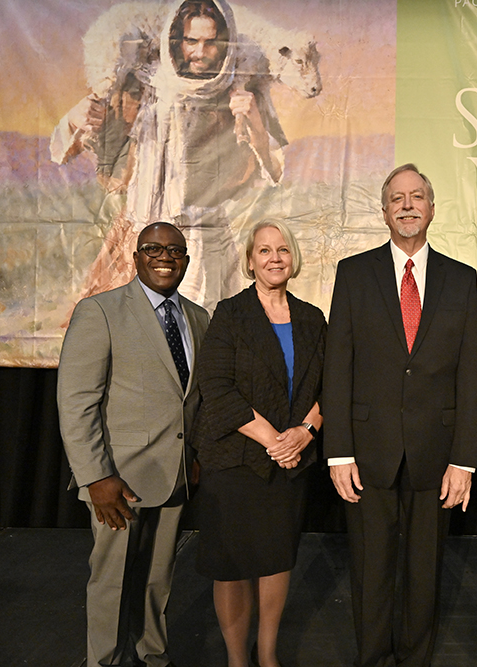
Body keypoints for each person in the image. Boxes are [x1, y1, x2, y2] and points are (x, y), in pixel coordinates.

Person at [322, 163, 477, 667]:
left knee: (425, 569)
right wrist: (339, 451)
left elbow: (470, 374)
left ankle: (415, 658)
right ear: (385, 210)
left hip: (437, 456)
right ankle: (372, 658)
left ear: (432, 209)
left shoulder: (462, 278)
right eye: (397, 198)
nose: (408, 205)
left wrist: (465, 460)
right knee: (370, 570)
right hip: (367, 453)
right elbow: (338, 366)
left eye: (417, 197)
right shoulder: (354, 272)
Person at [53, 0, 285, 312]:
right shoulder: (140, 85)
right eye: (191, 41)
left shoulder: (239, 89)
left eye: (210, 42)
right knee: (130, 339)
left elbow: (275, 170)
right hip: (139, 236)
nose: (199, 53)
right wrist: (75, 118)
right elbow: (62, 149)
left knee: (196, 340)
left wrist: (254, 122)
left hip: (201, 244)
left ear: (225, 42)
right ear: (176, 40)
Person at [57, 221, 210, 667]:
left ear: (186, 259)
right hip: (117, 481)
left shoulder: (198, 318)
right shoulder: (100, 311)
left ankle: (152, 656)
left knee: (157, 580)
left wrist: (194, 455)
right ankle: (102, 660)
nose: (165, 256)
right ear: (136, 256)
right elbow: (77, 401)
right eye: (153, 248)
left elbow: (194, 399)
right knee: (111, 581)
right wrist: (95, 476)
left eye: (175, 251)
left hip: (174, 475)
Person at [191, 220, 326, 667]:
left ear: (294, 258)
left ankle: (266, 654)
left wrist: (304, 433)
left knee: (276, 558)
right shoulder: (229, 314)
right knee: (231, 566)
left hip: (290, 462)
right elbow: (216, 387)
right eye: (264, 250)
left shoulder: (312, 318)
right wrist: (275, 440)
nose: (274, 258)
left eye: (282, 249)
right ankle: (237, 659)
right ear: (250, 261)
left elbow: (332, 385)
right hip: (235, 459)